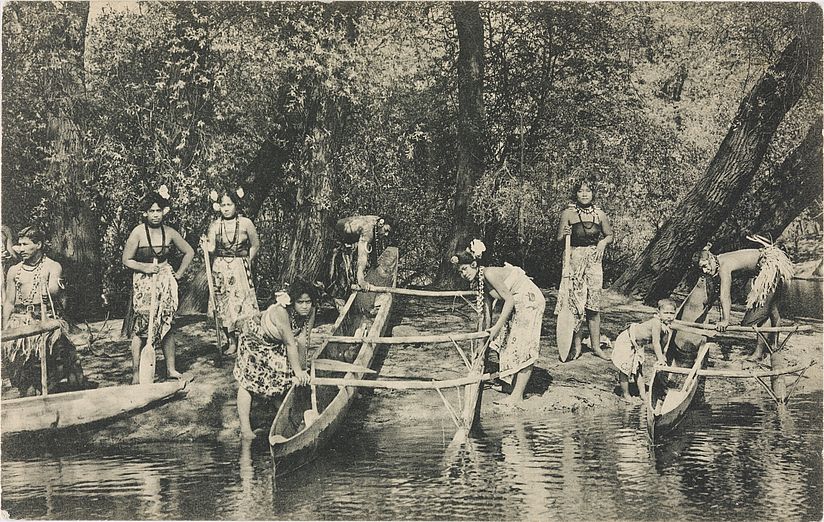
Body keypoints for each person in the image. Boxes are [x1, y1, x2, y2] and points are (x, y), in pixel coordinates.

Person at [451, 239, 545, 408]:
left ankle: (517, 396)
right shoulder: (480, 282)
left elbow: (508, 300)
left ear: (473, 264)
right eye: (459, 272)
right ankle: (509, 385)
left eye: (464, 269)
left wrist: (497, 327)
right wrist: (483, 340)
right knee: (506, 341)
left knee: (524, 344)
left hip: (529, 300)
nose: (463, 274)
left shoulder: (489, 274)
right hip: (517, 302)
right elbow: (486, 314)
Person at [121, 185, 194, 383]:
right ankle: (137, 373)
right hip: (143, 284)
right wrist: (144, 268)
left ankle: (171, 368)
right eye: (151, 211)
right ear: (145, 213)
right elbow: (126, 259)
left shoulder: (169, 232)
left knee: (166, 324)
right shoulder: (137, 233)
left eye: (158, 211)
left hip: (164, 282)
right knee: (141, 328)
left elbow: (189, 251)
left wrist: (177, 274)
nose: (155, 215)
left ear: (164, 212)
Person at [2, 225, 86, 396]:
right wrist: (5, 329)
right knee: (24, 376)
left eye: (26, 244)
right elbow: (9, 302)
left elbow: (54, 289)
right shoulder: (14, 271)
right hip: (20, 322)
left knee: (53, 367)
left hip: (45, 319)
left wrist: (49, 289)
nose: (21, 249)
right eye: (19, 244)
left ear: (38, 245)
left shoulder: (52, 266)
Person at [233, 278, 317, 439]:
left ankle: (284, 419)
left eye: (308, 302)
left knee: (282, 377)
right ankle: (245, 429)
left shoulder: (311, 310)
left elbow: (303, 339)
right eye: (301, 302)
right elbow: (290, 343)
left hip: (277, 341)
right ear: (292, 302)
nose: (305, 306)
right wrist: (298, 371)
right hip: (255, 338)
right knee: (249, 381)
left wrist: (302, 369)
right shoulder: (281, 312)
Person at [697, 235, 794, 360]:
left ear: (711, 258)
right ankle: (773, 346)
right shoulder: (719, 259)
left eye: (705, 266)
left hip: (770, 266)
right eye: (702, 268)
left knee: (757, 314)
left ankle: (760, 352)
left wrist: (726, 320)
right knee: (770, 308)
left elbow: (725, 296)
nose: (705, 271)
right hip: (770, 262)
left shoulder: (723, 266)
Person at [555, 177, 613, 360]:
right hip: (573, 261)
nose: (585, 194)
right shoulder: (568, 213)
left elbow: (609, 235)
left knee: (593, 305)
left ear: (593, 193)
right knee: (575, 305)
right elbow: (559, 239)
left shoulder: (600, 214)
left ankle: (596, 347)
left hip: (594, 263)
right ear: (576, 194)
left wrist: (603, 242)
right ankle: (577, 346)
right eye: (581, 191)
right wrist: (564, 234)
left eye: (588, 190)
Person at [200, 188, 260, 356]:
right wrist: (205, 245)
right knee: (223, 304)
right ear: (218, 206)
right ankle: (231, 341)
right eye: (223, 205)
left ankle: (247, 340)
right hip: (220, 268)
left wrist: (248, 259)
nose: (226, 208)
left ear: (236, 205)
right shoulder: (215, 225)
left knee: (242, 303)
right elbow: (211, 247)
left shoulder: (246, 223)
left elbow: (255, 244)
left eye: (229, 204)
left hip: (239, 266)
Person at [611, 298, 676, 401]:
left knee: (638, 369)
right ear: (658, 313)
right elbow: (655, 343)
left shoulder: (666, 327)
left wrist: (662, 355)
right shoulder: (656, 323)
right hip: (627, 339)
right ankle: (626, 394)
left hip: (638, 344)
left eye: (672, 313)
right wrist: (660, 359)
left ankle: (642, 395)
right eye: (666, 313)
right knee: (625, 369)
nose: (669, 316)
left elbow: (663, 344)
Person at [333, 215, 391, 291]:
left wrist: (376, 265)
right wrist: (361, 281)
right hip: (334, 236)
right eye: (386, 230)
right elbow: (362, 257)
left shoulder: (375, 221)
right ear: (381, 224)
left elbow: (374, 245)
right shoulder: (368, 230)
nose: (386, 234)